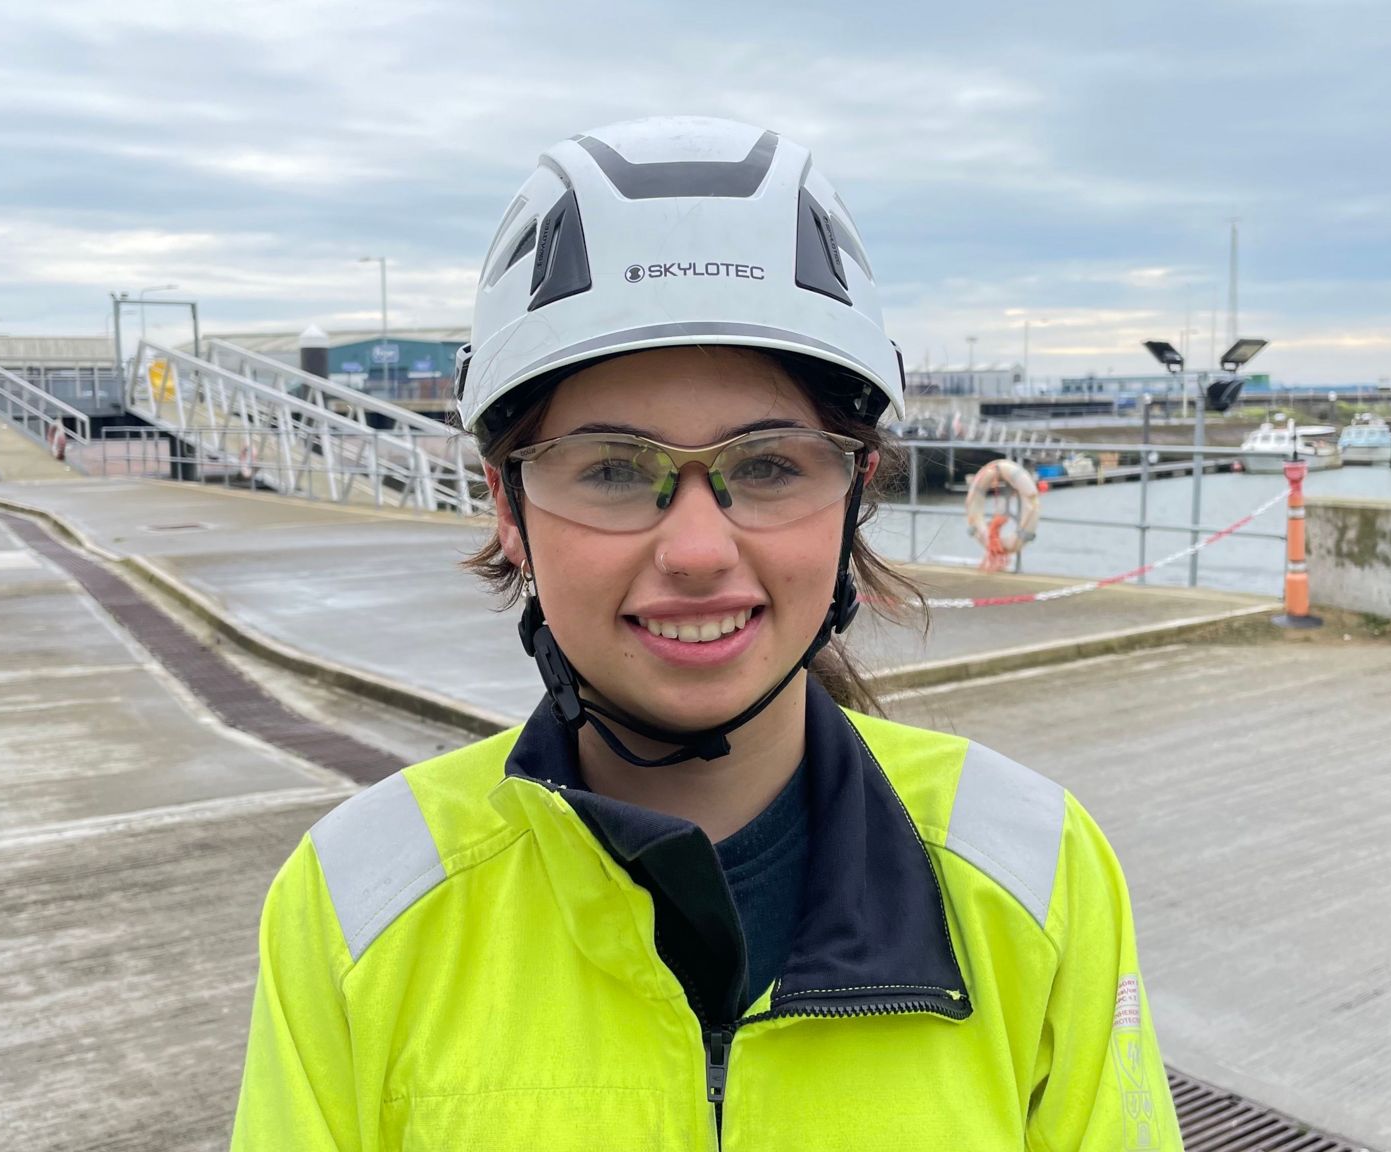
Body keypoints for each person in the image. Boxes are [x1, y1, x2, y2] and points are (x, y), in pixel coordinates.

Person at [231, 116, 1183, 1151]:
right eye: (609, 467)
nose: (695, 549)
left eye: (769, 465)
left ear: (854, 493)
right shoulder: (359, 905)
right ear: (507, 507)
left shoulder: (1035, 873)